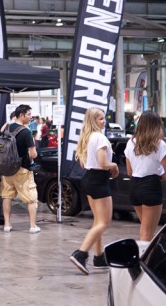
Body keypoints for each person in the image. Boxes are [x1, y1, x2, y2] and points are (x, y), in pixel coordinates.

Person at [69, 107, 119, 275]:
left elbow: (83, 163)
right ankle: (81, 254)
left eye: (104, 118)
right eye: (100, 119)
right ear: (93, 121)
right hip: (99, 180)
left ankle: (99, 257)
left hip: (89, 179)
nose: (104, 121)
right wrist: (115, 166)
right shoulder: (100, 138)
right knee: (104, 222)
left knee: (98, 221)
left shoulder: (87, 137)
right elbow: (104, 163)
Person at [125, 111, 166, 241]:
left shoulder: (131, 142)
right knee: (147, 233)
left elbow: (129, 171)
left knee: (145, 230)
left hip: (134, 187)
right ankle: (142, 254)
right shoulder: (159, 144)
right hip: (151, 187)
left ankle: (148, 253)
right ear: (157, 125)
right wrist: (155, 178)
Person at [0, 104, 40, 234]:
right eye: (28, 114)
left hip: (6, 168)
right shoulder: (26, 132)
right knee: (32, 198)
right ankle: (33, 226)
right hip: (23, 169)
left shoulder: (7, 128)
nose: (30, 117)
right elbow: (33, 154)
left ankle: (7, 225)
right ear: (21, 115)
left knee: (7, 196)